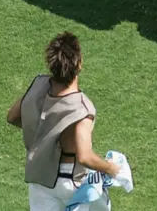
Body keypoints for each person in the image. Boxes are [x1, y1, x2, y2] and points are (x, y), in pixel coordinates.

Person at [6, 32, 121, 210]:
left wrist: (43, 135)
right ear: (79, 64)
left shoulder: (37, 85)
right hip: (70, 183)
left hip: (39, 178)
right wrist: (110, 169)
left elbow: (12, 117)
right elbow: (85, 156)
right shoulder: (82, 108)